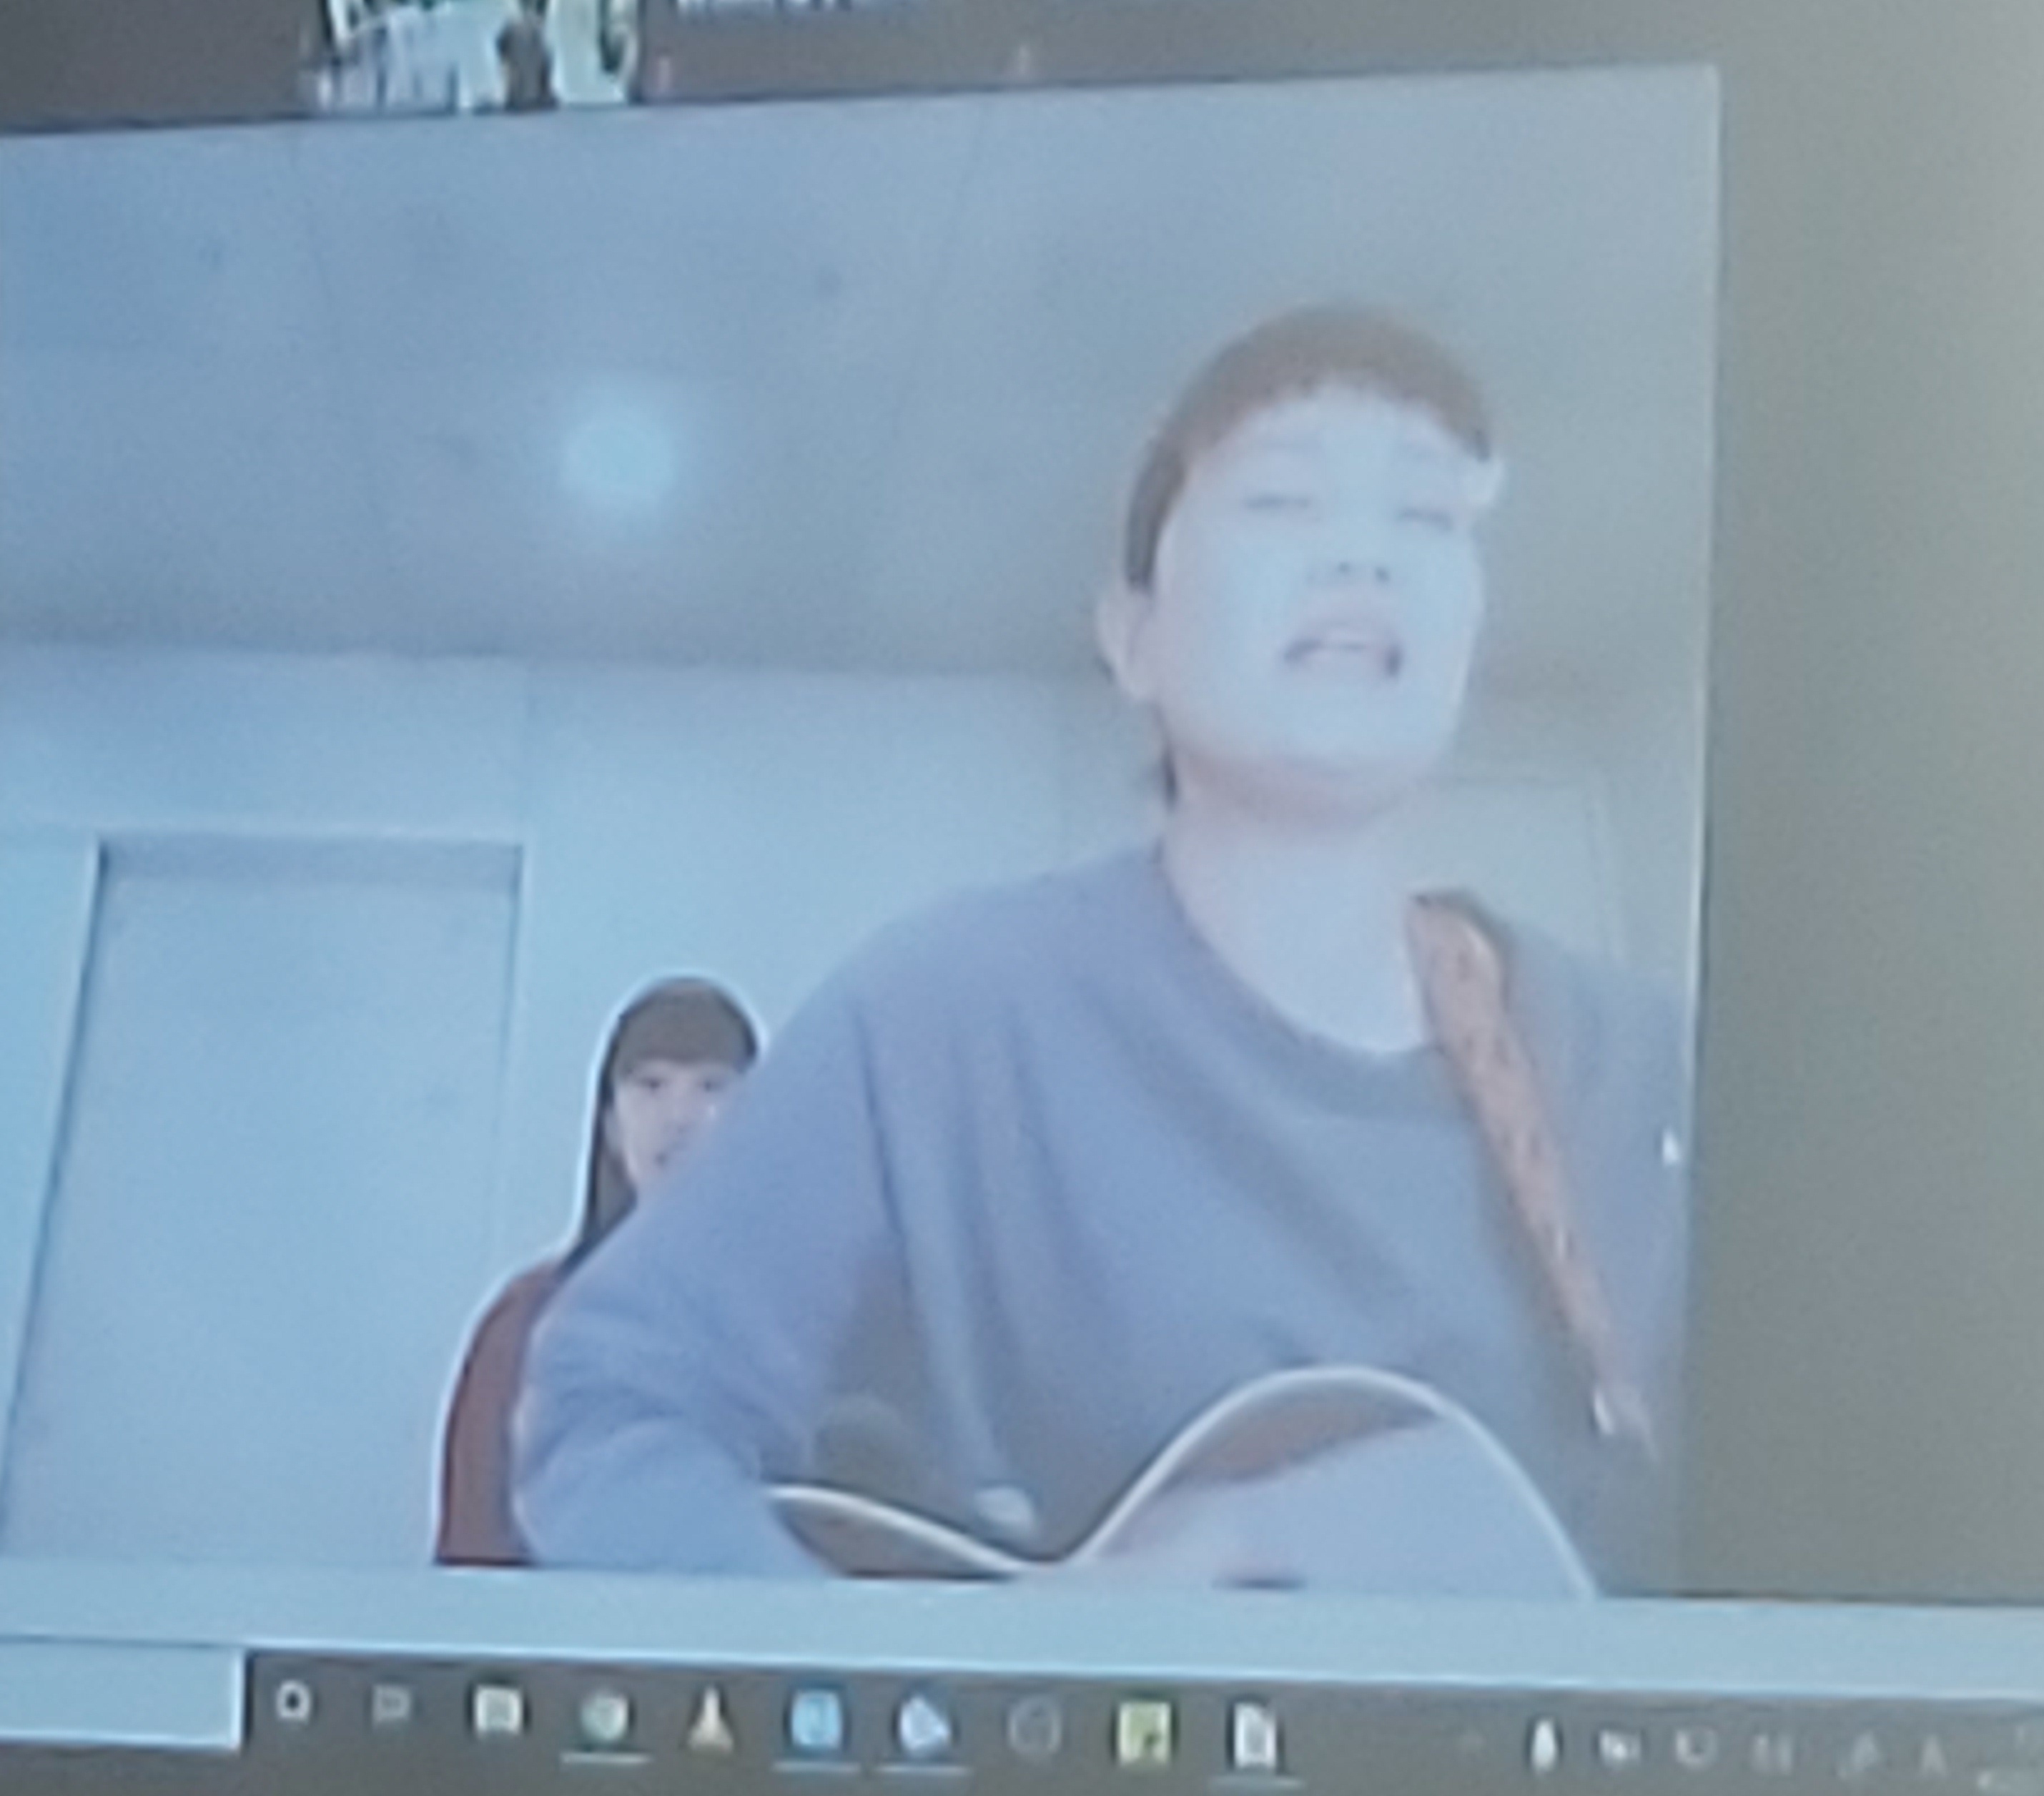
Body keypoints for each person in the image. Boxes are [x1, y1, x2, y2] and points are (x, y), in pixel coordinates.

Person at [515, 306, 1692, 1590]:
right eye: (1285, 500)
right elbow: (608, 1406)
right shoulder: (942, 1020)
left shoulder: (1643, 1072)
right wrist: (887, 1692)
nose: (1364, 552)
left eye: (1425, 514)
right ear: (1134, 640)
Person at [435, 977, 759, 1564]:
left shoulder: (807, 1330)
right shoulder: (528, 1324)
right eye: (650, 1086)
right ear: (610, 1125)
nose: (679, 1117)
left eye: (711, 1087)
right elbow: (473, 1552)